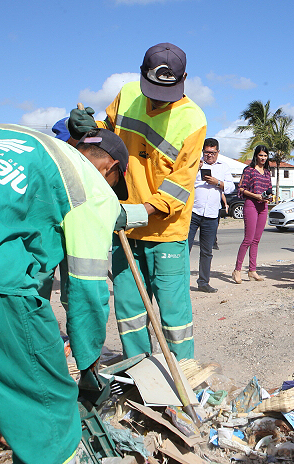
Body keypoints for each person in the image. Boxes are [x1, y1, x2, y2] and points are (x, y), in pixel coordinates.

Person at [0, 124, 127, 464]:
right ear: (110, 168)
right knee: (48, 409)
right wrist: (87, 364)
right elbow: (87, 291)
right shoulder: (93, 190)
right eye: (117, 185)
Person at [68, 42, 207, 361]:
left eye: (167, 93)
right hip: (124, 231)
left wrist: (134, 213)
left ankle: (183, 376)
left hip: (165, 233)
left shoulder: (193, 119)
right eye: (154, 90)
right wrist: (88, 129)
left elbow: (180, 184)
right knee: (129, 313)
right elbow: (108, 137)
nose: (158, 100)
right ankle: (139, 372)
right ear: (142, 74)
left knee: (174, 318)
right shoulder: (127, 95)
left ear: (184, 78)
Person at [188, 138, 235, 293]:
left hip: (211, 215)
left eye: (212, 153)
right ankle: (180, 281)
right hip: (193, 212)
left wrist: (217, 182)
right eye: (207, 152)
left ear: (218, 152)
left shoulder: (224, 167)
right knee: (184, 248)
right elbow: (184, 181)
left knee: (207, 251)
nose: (209, 156)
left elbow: (230, 187)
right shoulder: (195, 164)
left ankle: (203, 282)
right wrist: (196, 169)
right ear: (203, 151)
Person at [233, 145, 272, 283]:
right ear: (256, 156)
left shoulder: (267, 172)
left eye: (265, 156)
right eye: (261, 155)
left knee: (256, 240)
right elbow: (241, 189)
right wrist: (256, 196)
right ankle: (237, 270)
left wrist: (268, 197)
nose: (263, 158)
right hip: (251, 204)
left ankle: (252, 270)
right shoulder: (249, 170)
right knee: (248, 239)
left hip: (263, 206)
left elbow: (269, 189)